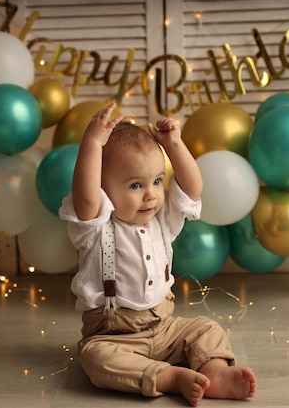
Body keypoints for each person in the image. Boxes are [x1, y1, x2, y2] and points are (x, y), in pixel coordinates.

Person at [59, 102, 256, 406]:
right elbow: (85, 195)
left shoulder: (162, 221)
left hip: (164, 328)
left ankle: (214, 371)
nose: (150, 194)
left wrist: (174, 146)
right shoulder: (96, 227)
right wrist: (92, 143)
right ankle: (169, 377)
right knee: (96, 359)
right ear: (103, 189)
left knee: (206, 328)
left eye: (155, 181)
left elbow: (192, 189)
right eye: (135, 185)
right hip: (113, 336)